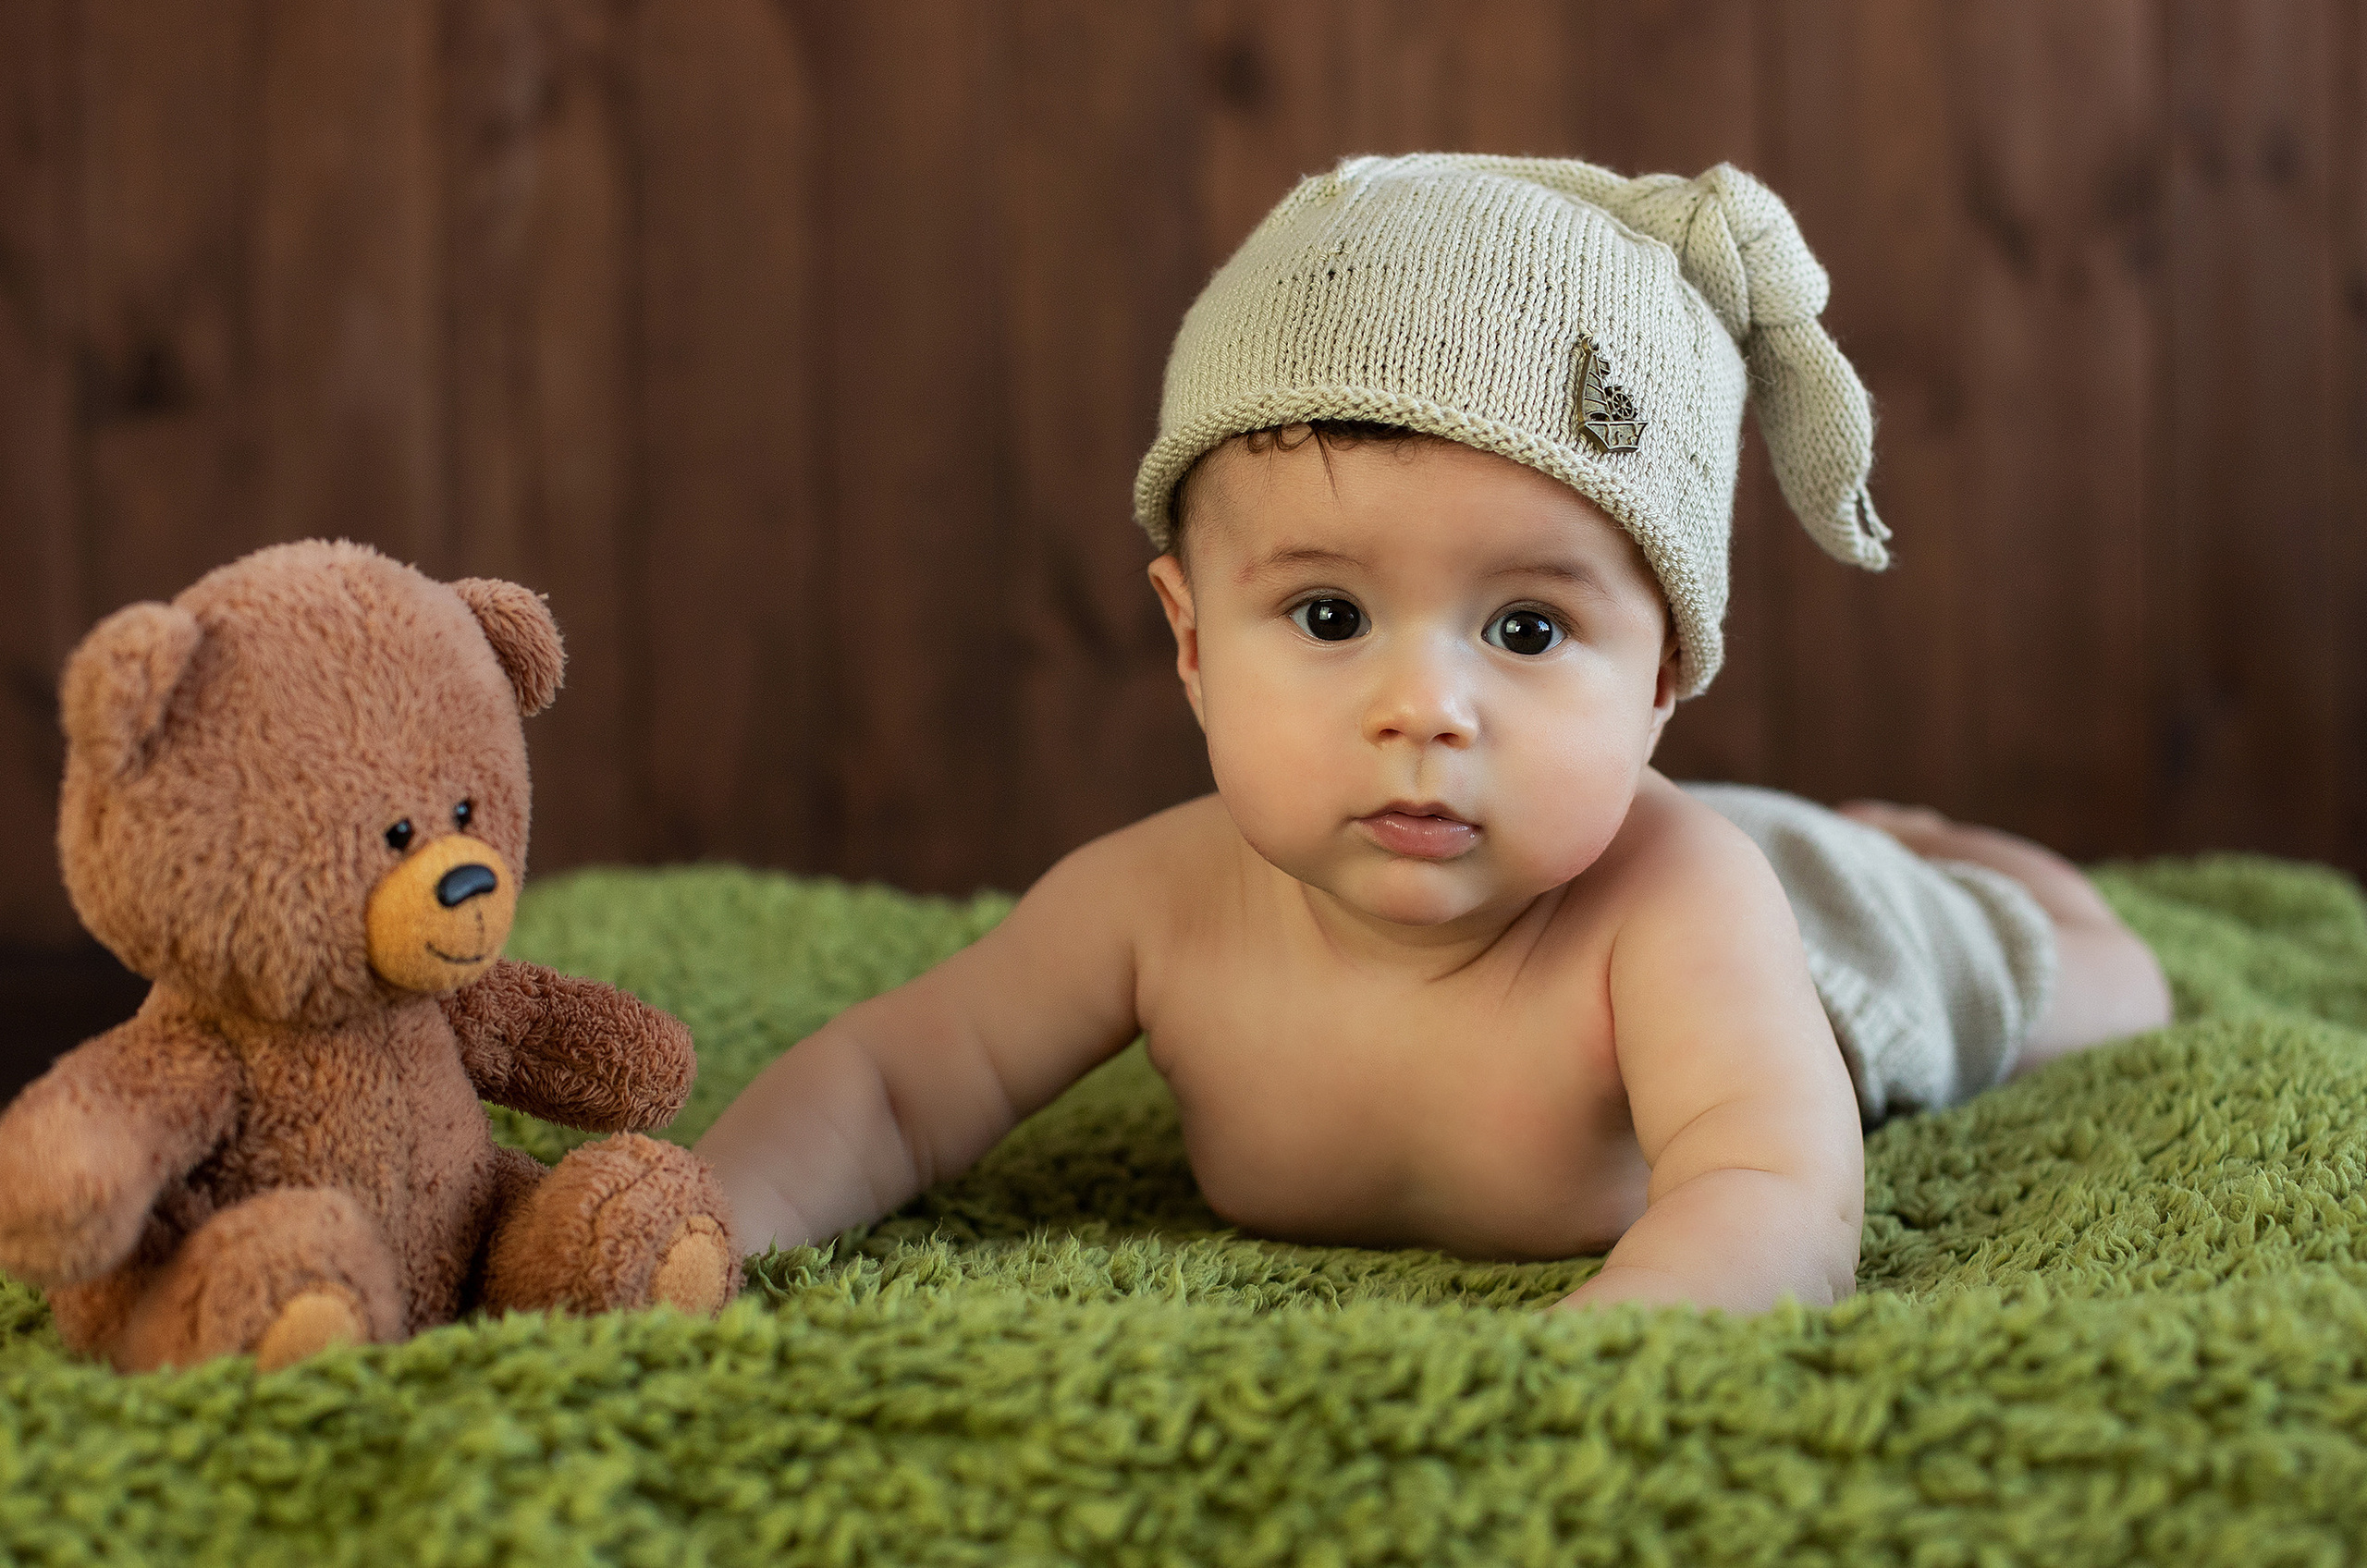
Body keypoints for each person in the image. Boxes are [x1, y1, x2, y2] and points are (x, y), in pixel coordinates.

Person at [697, 155, 2170, 1313]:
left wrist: (1627, 1335)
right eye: (1330, 617)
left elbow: (1777, 1184)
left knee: (2091, 987)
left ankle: (1949, 854)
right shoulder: (1153, 903)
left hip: (1830, 936)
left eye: (1527, 631)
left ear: (1663, 680)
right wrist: (705, 1223)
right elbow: (892, 1084)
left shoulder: (1680, 906)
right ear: (1193, 640)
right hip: (1646, 831)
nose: (1424, 710)